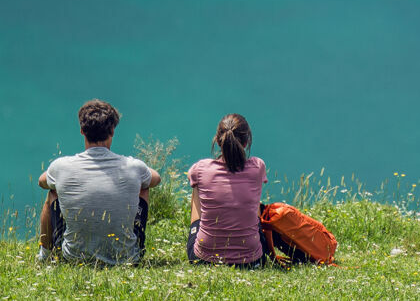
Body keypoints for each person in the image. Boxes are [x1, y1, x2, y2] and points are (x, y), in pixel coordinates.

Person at [37, 99, 162, 264]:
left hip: (75, 257)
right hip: (126, 258)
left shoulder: (61, 166)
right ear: (112, 130)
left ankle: (45, 255)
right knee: (143, 188)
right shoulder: (134, 167)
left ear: (82, 131)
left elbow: (42, 181)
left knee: (53, 192)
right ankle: (136, 246)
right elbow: (156, 179)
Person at [185, 113, 267, 266]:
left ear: (217, 141)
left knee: (196, 185)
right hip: (250, 260)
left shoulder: (201, 168)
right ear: (246, 142)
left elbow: (191, 174)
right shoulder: (257, 167)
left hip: (204, 258)